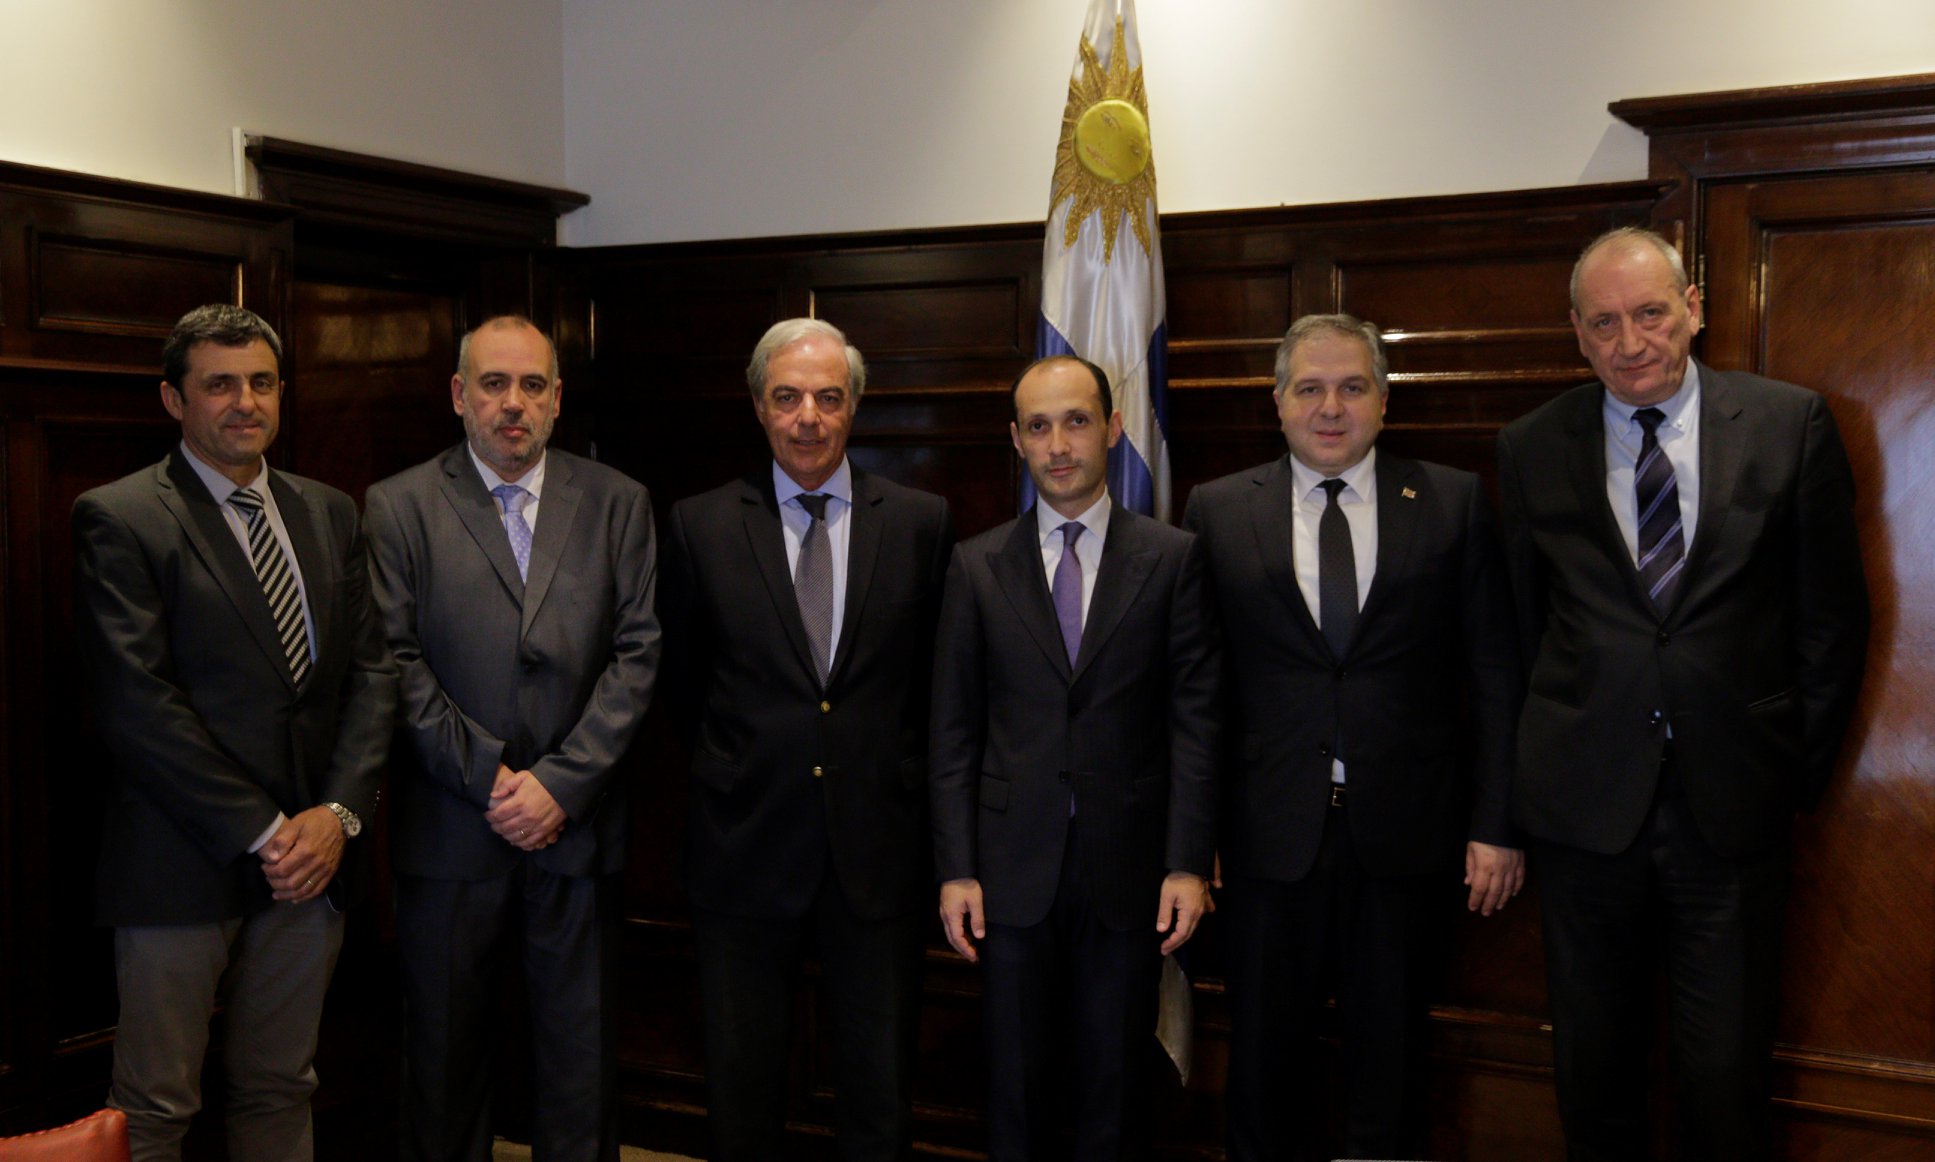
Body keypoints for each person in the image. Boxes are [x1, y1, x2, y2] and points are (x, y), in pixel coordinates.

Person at [1497, 227, 1870, 1160]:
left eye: (1650, 314)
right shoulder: (1530, 446)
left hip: (1732, 808)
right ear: (1576, 334)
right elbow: (1517, 633)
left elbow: (1831, 625)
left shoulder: (1788, 423)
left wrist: (1787, 778)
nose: (1630, 343)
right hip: (1584, 810)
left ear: (1693, 308)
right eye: (1603, 323)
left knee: (1723, 1075)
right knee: (1594, 1071)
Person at [1183, 314, 1524, 1161]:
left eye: (1350, 387)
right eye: (1309, 388)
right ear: (1277, 402)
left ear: (1382, 402)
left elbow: (1492, 675)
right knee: (1263, 1067)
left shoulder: (1451, 500)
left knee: (1392, 1066)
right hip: (1265, 839)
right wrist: (1192, 839)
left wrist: (1496, 824)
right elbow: (1197, 692)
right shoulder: (1217, 510)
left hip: (1408, 836)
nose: (1329, 407)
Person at [71, 303, 397, 1161]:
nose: (244, 402)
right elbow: (137, 704)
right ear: (174, 400)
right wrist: (265, 831)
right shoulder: (121, 516)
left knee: (281, 1086)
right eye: (219, 384)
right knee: (155, 1107)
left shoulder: (329, 511)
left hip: (312, 865)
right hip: (179, 860)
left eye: (260, 382)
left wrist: (337, 818)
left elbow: (372, 676)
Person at [365, 315, 660, 1162]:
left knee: (579, 1066)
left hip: (576, 831)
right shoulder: (398, 505)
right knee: (444, 1066)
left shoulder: (617, 502)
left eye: (532, 385)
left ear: (557, 399)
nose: (513, 404)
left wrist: (559, 785)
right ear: (459, 396)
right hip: (451, 831)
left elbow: (638, 655)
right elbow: (394, 659)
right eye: (493, 384)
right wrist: (492, 779)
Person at [660, 318, 954, 1161]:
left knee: (878, 1092)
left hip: (878, 854)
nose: (808, 418)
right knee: (743, 1090)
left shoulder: (921, 522)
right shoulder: (700, 524)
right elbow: (682, 685)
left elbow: (935, 690)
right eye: (787, 398)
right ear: (759, 406)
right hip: (743, 848)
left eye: (828, 398)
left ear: (854, 405)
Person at [930, 354, 1220, 1161]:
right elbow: (952, 729)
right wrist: (955, 868)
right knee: (1016, 1090)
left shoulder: (1171, 558)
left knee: (1113, 1092)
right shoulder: (974, 564)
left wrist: (1186, 862)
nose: (1058, 445)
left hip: (1128, 874)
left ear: (1113, 428)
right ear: (1016, 440)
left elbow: (1195, 723)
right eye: (1038, 426)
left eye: (1076, 421)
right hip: (1007, 875)